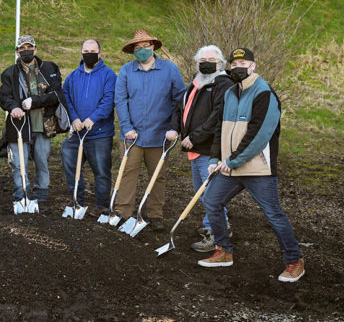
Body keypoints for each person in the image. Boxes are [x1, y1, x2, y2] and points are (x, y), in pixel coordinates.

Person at [198, 48, 305, 283]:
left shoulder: (264, 93)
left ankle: (294, 260)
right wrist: (215, 158)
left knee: (273, 214)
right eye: (234, 63)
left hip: (258, 169)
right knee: (211, 201)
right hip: (229, 167)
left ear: (253, 66)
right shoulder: (230, 93)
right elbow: (220, 130)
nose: (238, 67)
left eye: (243, 62)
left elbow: (259, 136)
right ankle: (224, 251)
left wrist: (233, 160)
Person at [114, 29, 185, 230]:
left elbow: (180, 100)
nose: (142, 50)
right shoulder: (127, 71)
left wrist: (174, 127)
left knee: (158, 175)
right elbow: (120, 100)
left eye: (145, 46)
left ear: (153, 47)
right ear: (133, 51)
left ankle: (155, 214)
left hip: (160, 135)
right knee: (128, 173)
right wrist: (126, 127)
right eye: (138, 48)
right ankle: (123, 212)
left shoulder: (169, 70)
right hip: (132, 136)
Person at [166, 45, 234, 251]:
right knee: (201, 193)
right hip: (195, 148)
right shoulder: (196, 82)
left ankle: (218, 235)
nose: (206, 62)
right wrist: (174, 128)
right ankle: (213, 225)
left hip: (209, 148)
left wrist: (195, 137)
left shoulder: (223, 84)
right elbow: (181, 107)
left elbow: (217, 116)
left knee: (210, 194)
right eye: (202, 59)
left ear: (220, 62)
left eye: (211, 58)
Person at [0, 35, 64, 211]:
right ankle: (21, 194)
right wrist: (13, 107)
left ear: (35, 49)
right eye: (22, 48)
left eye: (29, 47)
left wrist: (34, 102)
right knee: (19, 163)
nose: (26, 51)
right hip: (19, 125)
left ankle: (41, 194)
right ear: (17, 52)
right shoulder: (9, 73)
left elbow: (57, 95)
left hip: (44, 124)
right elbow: (4, 97)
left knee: (42, 160)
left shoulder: (49, 69)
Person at [61, 39, 117, 216]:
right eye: (86, 50)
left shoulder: (109, 75)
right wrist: (74, 118)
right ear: (81, 53)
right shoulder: (72, 77)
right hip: (77, 132)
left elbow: (109, 100)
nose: (89, 53)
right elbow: (66, 99)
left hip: (99, 133)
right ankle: (77, 199)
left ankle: (102, 204)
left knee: (101, 170)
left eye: (93, 50)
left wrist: (93, 117)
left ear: (100, 54)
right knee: (68, 159)